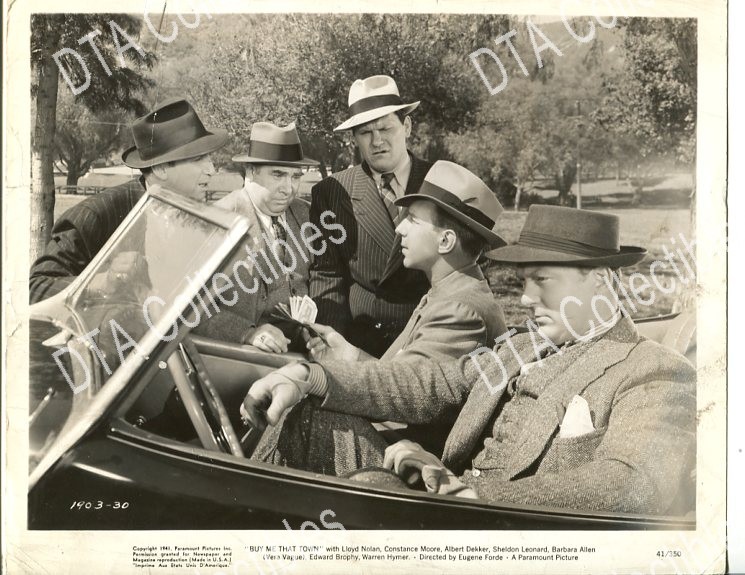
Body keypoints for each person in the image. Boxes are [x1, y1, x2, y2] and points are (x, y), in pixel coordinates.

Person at [242, 205, 696, 515]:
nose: (526, 298)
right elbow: (428, 384)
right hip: (443, 498)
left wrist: (465, 492)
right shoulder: (522, 346)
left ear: (598, 280)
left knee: (370, 491)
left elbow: (631, 484)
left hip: (497, 531)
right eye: (523, 281)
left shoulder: (652, 370)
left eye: (542, 280)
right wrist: (310, 376)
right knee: (310, 413)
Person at [263, 160, 509, 453]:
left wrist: (315, 377)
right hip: (401, 441)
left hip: (415, 458)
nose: (400, 229)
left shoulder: (460, 310)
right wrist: (349, 354)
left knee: (308, 418)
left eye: (413, 220)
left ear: (446, 240)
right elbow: (405, 376)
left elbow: (406, 394)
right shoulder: (449, 291)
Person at [29, 98, 227, 303]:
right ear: (161, 169)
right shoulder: (95, 214)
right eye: (198, 159)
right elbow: (35, 288)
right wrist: (104, 281)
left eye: (209, 158)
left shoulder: (197, 216)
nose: (211, 170)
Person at [308, 75, 433, 358]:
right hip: (360, 341)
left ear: (407, 126)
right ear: (354, 138)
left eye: (386, 128)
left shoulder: (441, 180)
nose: (377, 141)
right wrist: (332, 341)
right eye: (365, 132)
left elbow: (467, 269)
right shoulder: (332, 192)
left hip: (428, 338)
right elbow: (327, 275)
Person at [195, 122, 318, 352]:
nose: (288, 188)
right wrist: (246, 332)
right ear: (250, 172)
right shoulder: (215, 221)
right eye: (278, 174)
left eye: (295, 176)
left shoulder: (306, 214)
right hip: (242, 357)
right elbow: (192, 310)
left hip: (303, 352)